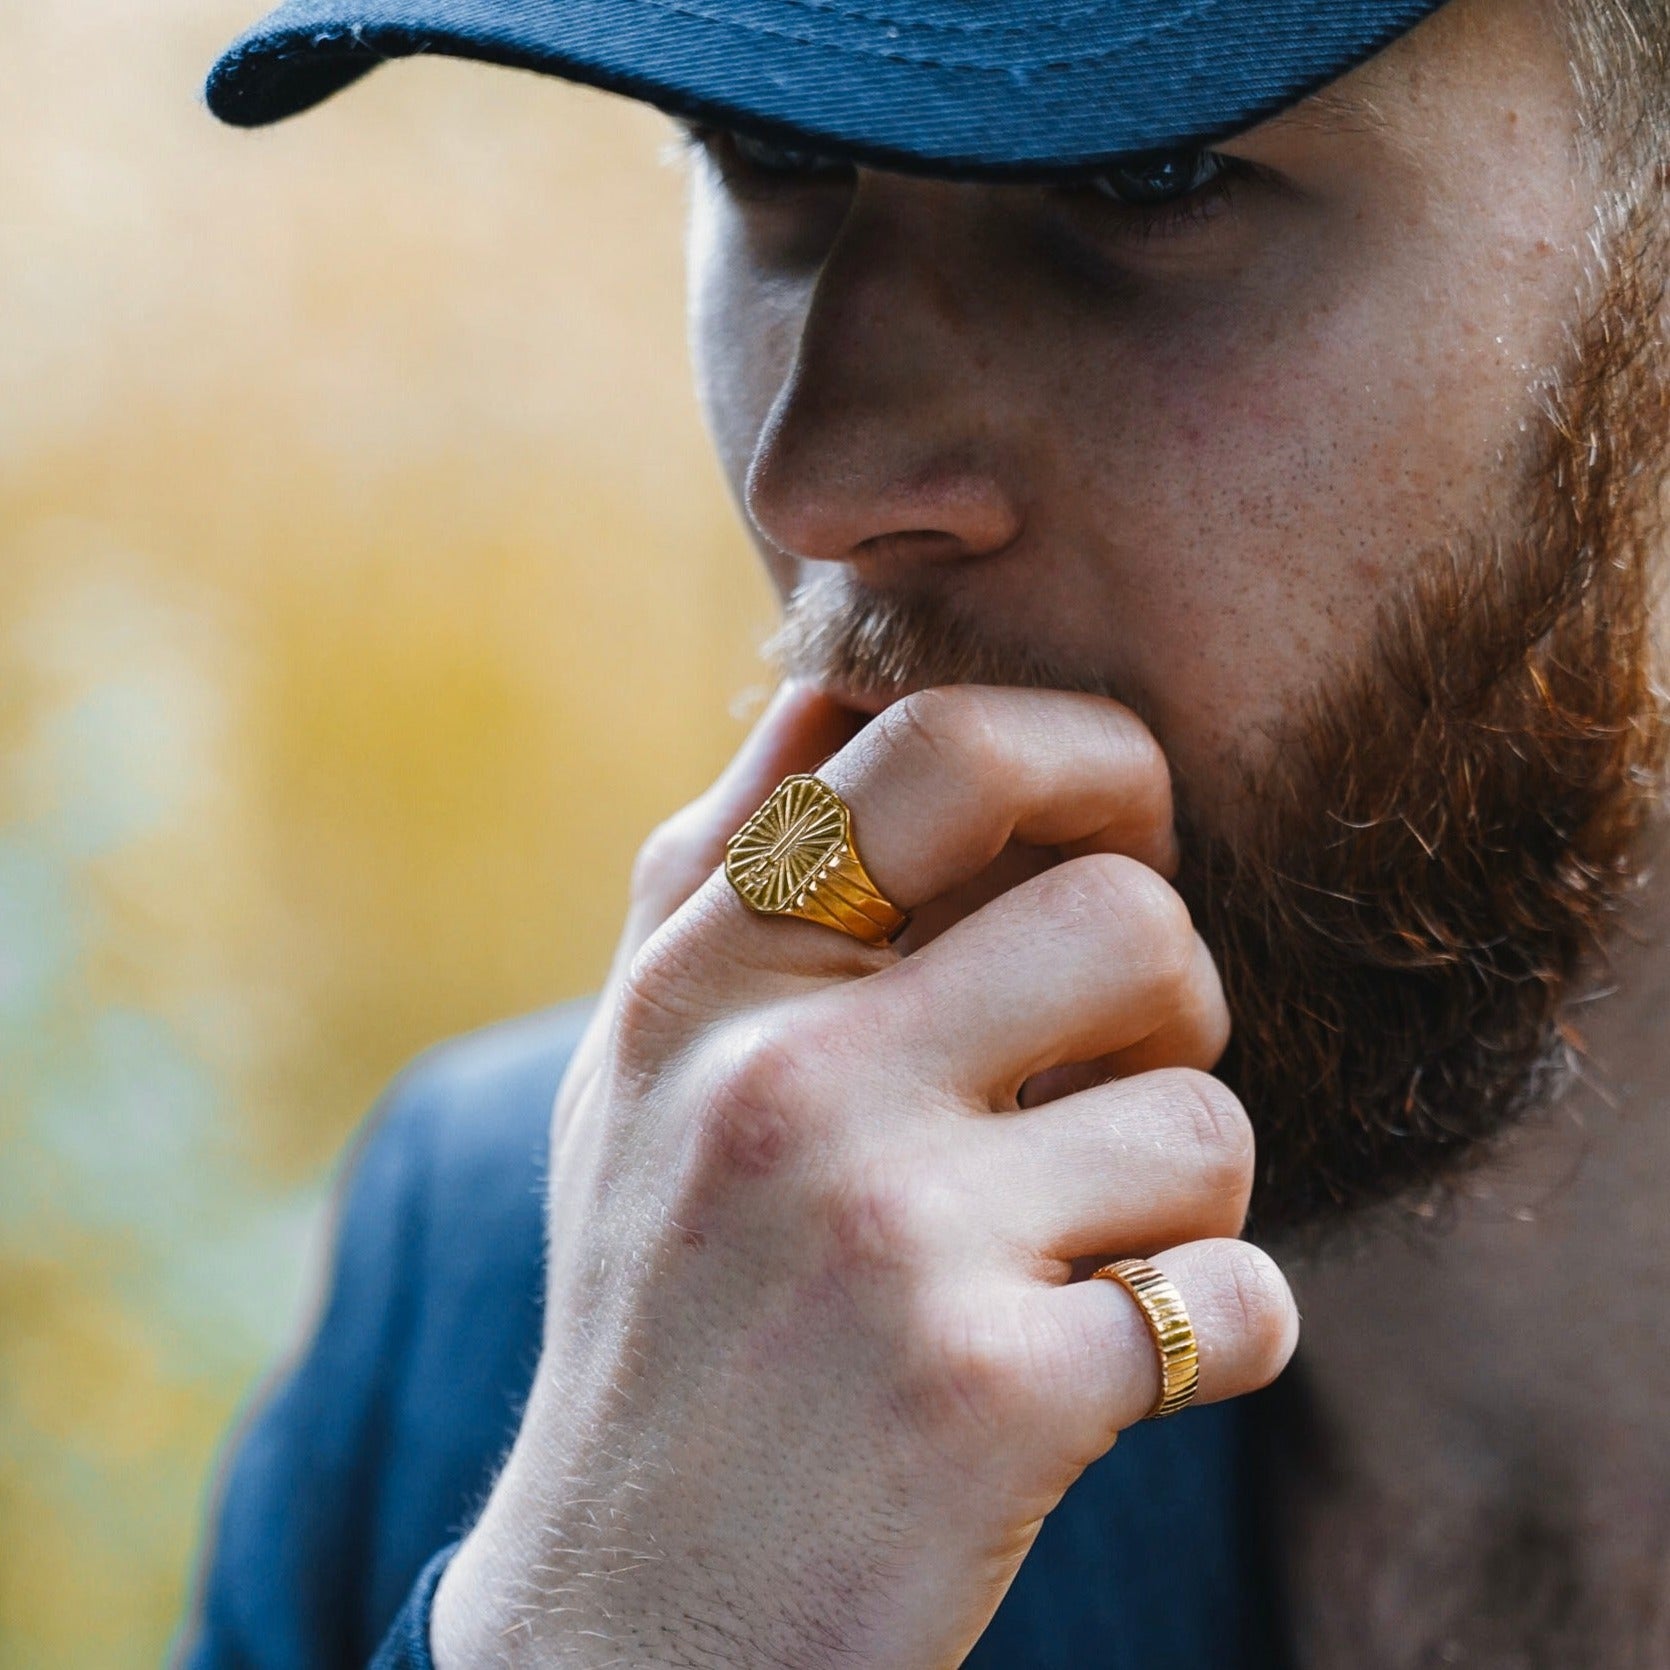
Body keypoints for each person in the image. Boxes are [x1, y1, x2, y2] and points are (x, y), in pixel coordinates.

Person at [178, 0, 1670, 1663]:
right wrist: (611, 1621)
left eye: (1143, 179)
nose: (810, 480)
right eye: (771, 150)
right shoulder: (507, 1323)